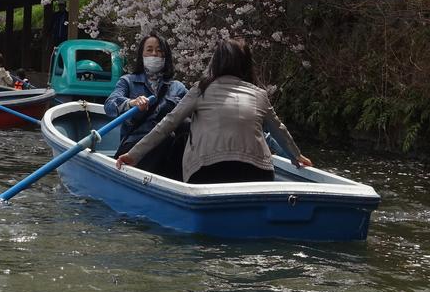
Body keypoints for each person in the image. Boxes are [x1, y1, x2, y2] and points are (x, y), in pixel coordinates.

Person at [116, 38, 313, 183]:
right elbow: (278, 130)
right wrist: (296, 156)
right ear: (247, 64)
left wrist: (133, 155)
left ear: (215, 62)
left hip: (208, 171)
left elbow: (167, 125)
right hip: (258, 174)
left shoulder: (200, 89)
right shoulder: (260, 94)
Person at [104, 33, 189, 178]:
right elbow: (109, 106)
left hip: (168, 150)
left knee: (180, 138)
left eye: (159, 50)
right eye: (149, 50)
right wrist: (131, 103)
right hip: (134, 146)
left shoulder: (178, 87)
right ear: (141, 54)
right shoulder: (128, 81)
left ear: (165, 56)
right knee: (166, 139)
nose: (154, 54)